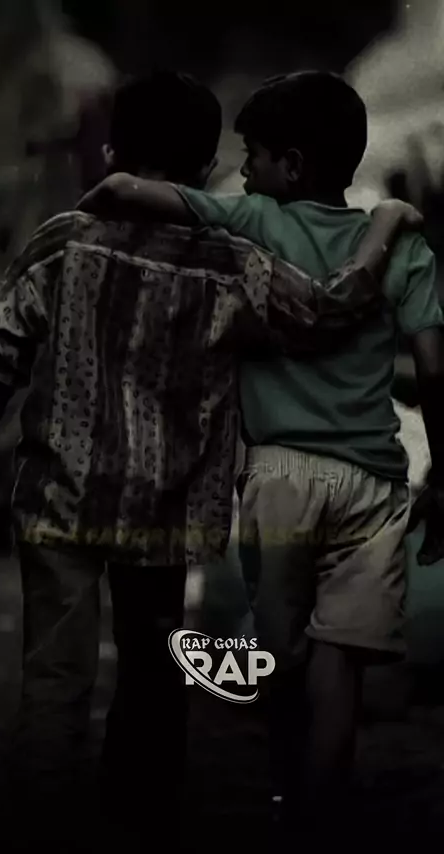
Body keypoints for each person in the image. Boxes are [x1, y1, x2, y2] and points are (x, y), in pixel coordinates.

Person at [0, 71, 418, 852]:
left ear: (111, 154)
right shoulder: (235, 265)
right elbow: (326, 315)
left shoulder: (63, 241)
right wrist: (383, 231)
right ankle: (139, 827)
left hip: (60, 500)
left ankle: (38, 836)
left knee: (55, 685)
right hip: (166, 512)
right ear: (208, 169)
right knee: (153, 679)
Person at [78, 70, 444, 838]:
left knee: (281, 652)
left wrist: (103, 189)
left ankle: (285, 781)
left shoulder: (252, 221)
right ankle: (319, 811)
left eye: (253, 157)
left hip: (278, 475)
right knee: (343, 657)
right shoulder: (407, 248)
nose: (242, 172)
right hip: (375, 481)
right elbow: (434, 371)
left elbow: (131, 192)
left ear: (293, 165)